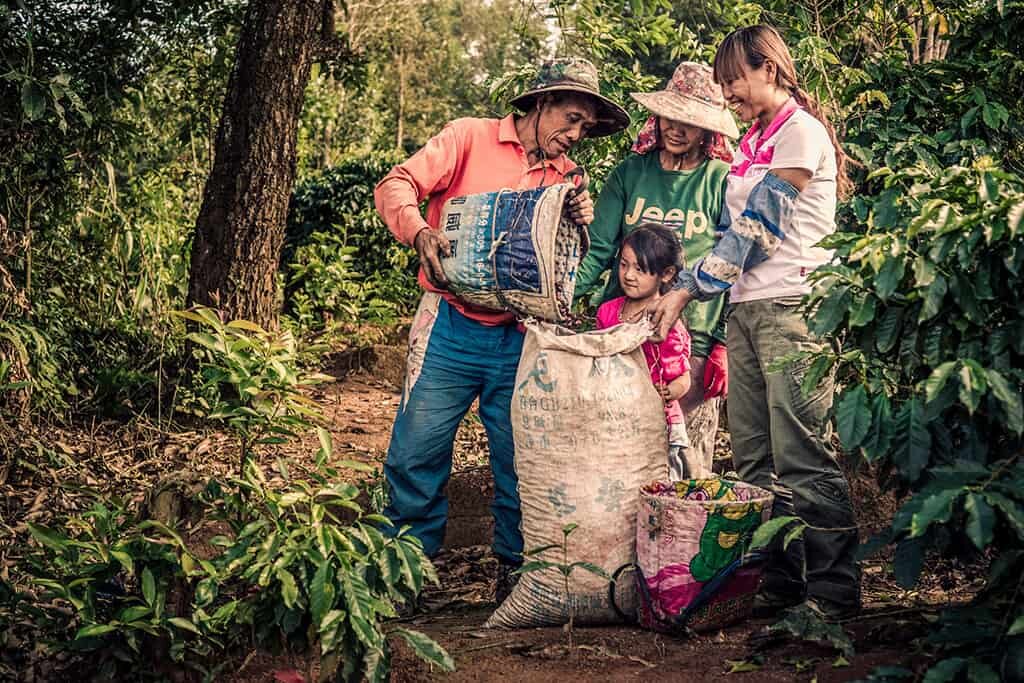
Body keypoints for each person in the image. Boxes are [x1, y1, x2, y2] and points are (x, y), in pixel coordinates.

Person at [373, 58, 629, 605]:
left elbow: (566, 270)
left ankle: (517, 576)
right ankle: (401, 574)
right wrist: (419, 232)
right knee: (417, 450)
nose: (575, 133)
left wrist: (579, 223)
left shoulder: (568, 179)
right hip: (449, 326)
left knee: (521, 458)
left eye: (585, 126)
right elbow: (398, 182)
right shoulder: (469, 139)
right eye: (570, 117)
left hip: (521, 337)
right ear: (538, 103)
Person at [649, 25, 861, 620]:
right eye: (724, 82)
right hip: (743, 310)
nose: (729, 92)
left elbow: (757, 232)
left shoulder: (801, 134)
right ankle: (781, 583)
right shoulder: (749, 144)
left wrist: (687, 289)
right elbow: (724, 235)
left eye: (734, 78)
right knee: (751, 458)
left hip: (792, 307)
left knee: (803, 454)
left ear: (769, 68)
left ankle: (833, 593)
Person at [574, 61, 739, 477]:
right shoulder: (631, 174)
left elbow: (736, 262)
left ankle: (683, 541)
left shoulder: (722, 180)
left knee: (684, 458)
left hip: (691, 342)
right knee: (621, 452)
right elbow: (596, 249)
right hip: (624, 337)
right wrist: (564, 296)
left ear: (707, 130)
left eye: (690, 122)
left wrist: (721, 343)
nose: (677, 129)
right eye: (671, 117)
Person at [594, 224, 694, 480]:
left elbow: (684, 377)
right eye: (624, 265)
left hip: (658, 421)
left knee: (656, 481)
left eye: (640, 269)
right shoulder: (608, 312)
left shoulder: (666, 320)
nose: (628, 275)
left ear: (666, 273)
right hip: (615, 415)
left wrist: (670, 392)